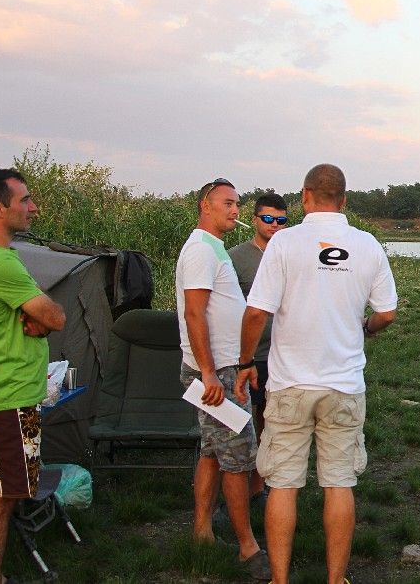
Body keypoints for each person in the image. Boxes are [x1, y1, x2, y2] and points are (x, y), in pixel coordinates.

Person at [234, 164, 397, 584]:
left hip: (290, 383)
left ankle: (279, 580)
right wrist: (366, 328)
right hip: (343, 384)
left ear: (305, 196)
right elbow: (387, 312)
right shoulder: (367, 245)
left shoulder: (284, 243)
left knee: (283, 485)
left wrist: (245, 363)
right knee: (339, 484)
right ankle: (335, 579)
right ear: (344, 200)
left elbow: (256, 312)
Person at [0, 168, 66, 584]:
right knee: (1, 495)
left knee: (6, 490)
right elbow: (55, 317)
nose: (33, 207)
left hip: (9, 394)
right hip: (5, 397)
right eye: (24, 200)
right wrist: (42, 318)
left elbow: (40, 317)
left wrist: (38, 318)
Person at [176, 177, 269, 580]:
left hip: (225, 368)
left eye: (237, 204)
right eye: (227, 203)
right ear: (205, 205)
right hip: (214, 375)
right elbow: (193, 313)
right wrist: (210, 373)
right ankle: (248, 547)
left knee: (213, 452)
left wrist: (239, 363)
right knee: (239, 456)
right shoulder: (200, 250)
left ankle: (201, 532)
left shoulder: (212, 247)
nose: (235, 210)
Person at [228, 191, 289, 502]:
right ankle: (235, 486)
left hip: (282, 355)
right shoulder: (235, 257)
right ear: (254, 220)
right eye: (267, 218)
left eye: (281, 220)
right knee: (241, 420)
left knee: (270, 420)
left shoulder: (291, 255)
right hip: (248, 356)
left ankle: (260, 486)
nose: (274, 225)